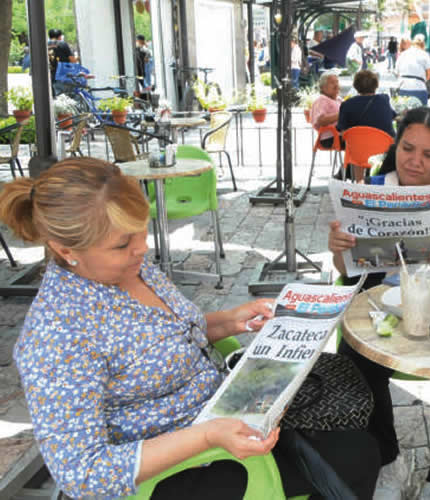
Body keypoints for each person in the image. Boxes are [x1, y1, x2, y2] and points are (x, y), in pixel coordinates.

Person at [1, 158, 381, 499]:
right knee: (354, 461)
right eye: (122, 244)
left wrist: (230, 320)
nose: (142, 248)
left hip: (222, 415)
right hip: (175, 468)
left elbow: (171, 335)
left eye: (141, 230)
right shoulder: (57, 334)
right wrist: (206, 436)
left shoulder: (129, 268)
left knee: (359, 442)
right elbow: (82, 474)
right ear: (67, 250)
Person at [328, 108, 430, 488]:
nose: (415, 162)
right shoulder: (371, 190)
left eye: (428, 155)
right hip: (385, 302)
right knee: (355, 361)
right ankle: (387, 459)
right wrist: (337, 249)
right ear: (396, 145)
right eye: (408, 149)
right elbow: (349, 270)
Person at [396, 35, 430, 106]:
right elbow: (429, 71)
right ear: (423, 46)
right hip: (419, 87)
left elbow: (397, 72)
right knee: (421, 114)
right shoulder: (424, 54)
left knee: (403, 114)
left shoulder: (403, 54)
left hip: (403, 86)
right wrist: (423, 80)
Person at [311, 72, 342, 149]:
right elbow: (320, 120)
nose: (336, 85)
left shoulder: (339, 99)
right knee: (359, 141)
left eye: (337, 82)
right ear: (323, 87)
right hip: (330, 138)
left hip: (342, 135)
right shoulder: (322, 100)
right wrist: (341, 115)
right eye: (332, 83)